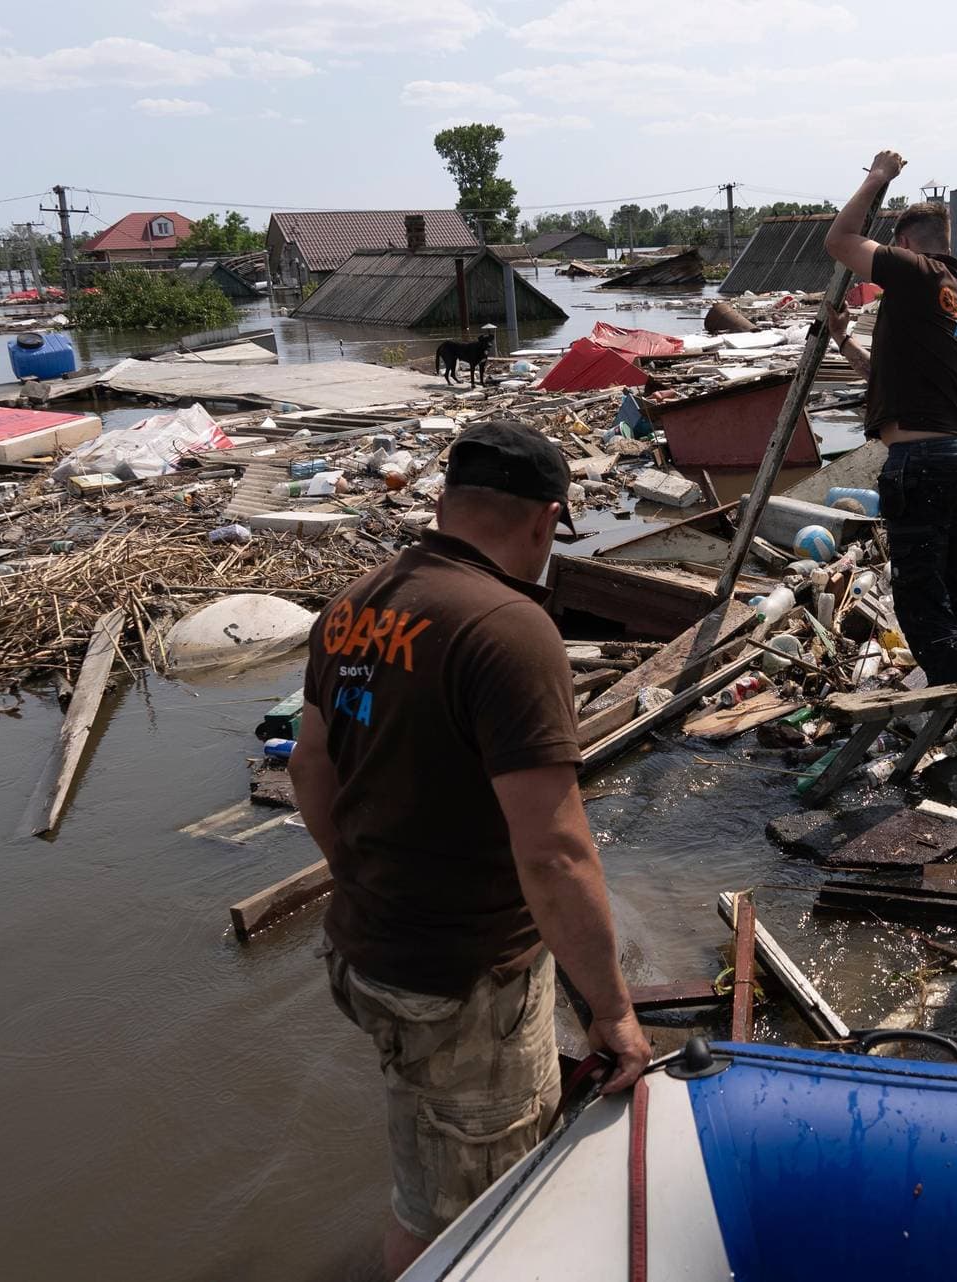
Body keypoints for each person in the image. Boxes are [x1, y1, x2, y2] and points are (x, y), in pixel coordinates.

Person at [289, 419, 650, 1279]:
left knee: (428, 1148)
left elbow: (310, 769)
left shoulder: (354, 605)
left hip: (364, 952)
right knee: (465, 1216)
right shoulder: (510, 629)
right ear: (545, 521)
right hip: (460, 984)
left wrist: (366, 880)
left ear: (447, 502)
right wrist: (615, 1015)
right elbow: (555, 855)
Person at [824, 149, 957, 687]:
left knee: (920, 596)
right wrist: (843, 341)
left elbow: (839, 241)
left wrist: (878, 176)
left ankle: (950, 704)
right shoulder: (954, 298)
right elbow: (890, 378)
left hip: (923, 463)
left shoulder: (916, 272)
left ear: (901, 245)